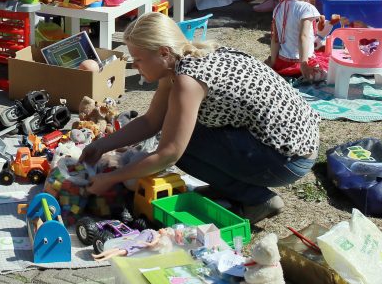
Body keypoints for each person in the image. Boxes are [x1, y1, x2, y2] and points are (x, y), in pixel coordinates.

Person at [80, 12, 319, 224]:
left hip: (289, 158)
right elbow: (151, 121)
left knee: (180, 144)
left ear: (163, 52)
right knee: (176, 132)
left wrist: (112, 178)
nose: (134, 65)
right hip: (292, 145)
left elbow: (169, 153)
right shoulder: (180, 62)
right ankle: (236, 188)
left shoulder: (188, 80)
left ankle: (257, 200)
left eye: (138, 59)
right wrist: (101, 145)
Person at [266, 0, 330, 80]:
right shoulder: (306, 8)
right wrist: (304, 64)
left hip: (283, 62)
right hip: (303, 62)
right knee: (330, 70)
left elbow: (275, 38)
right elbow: (304, 37)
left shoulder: (278, 8)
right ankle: (308, 74)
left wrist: (273, 62)